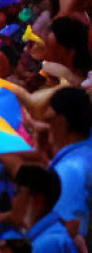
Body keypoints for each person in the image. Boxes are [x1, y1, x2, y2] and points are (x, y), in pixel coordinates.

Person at [0, 165, 81, 253]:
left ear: (37, 200)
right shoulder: (49, 237)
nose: (13, 200)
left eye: (17, 192)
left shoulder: (45, 246)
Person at [46, 88, 92, 240]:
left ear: (60, 121)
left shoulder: (71, 169)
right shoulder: (84, 156)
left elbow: (67, 233)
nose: (46, 126)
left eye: (48, 119)